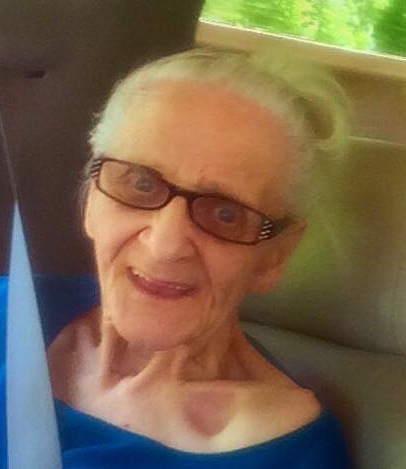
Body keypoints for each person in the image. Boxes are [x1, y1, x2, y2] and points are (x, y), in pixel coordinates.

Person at [1, 47, 351, 468]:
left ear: (274, 257)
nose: (165, 245)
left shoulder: (286, 453)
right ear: (92, 199)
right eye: (140, 184)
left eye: (225, 214)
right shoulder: (12, 309)